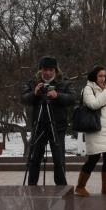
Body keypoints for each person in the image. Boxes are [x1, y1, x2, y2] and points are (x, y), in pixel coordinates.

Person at [20, 55, 76, 186]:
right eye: (45, 69)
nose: (48, 72)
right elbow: (23, 99)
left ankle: (62, 187)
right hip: (38, 126)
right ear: (40, 70)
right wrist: (34, 93)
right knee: (34, 159)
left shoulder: (64, 82)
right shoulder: (33, 82)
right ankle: (31, 186)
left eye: (51, 69)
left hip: (57, 127)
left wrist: (58, 95)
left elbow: (73, 98)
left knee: (59, 159)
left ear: (56, 70)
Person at [74, 66, 106, 196]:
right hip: (94, 128)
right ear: (94, 76)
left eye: (104, 76)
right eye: (100, 76)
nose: (103, 78)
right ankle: (80, 187)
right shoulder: (88, 89)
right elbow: (93, 104)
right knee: (93, 158)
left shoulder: (102, 89)